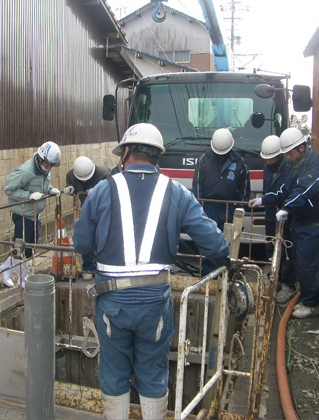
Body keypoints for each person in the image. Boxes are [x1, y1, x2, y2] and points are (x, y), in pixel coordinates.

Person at [73, 123, 230, 420]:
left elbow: (81, 241)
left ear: (126, 152)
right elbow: (214, 243)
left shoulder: (103, 189)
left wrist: (92, 260)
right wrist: (225, 259)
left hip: (111, 301)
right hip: (154, 302)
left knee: (114, 371)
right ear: (157, 156)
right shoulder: (176, 192)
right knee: (153, 373)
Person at [275, 127, 319, 318]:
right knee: (297, 259)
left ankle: (311, 304)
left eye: (290, 153)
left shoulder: (315, 164)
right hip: (301, 220)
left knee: (307, 263)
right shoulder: (296, 164)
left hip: (314, 222)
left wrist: (286, 208)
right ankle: (296, 290)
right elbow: (287, 188)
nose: (288, 158)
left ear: (301, 148)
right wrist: (267, 200)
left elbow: (303, 190)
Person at [192, 128, 249, 274]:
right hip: (208, 208)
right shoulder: (204, 160)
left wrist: (241, 208)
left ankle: (226, 274)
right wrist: (199, 207)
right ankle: (208, 275)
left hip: (229, 209)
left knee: (228, 243)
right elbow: (197, 186)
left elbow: (244, 188)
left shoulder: (239, 163)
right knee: (209, 241)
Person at [249, 135, 297, 303]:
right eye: (267, 159)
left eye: (271, 159)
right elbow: (267, 188)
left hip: (284, 215)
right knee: (271, 246)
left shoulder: (289, 169)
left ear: (280, 155)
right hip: (271, 214)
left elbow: (282, 192)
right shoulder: (266, 168)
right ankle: (273, 276)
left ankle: (288, 283)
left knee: (286, 249)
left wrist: (263, 200)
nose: (269, 162)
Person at [3, 141, 61, 261]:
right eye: (48, 164)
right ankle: (9, 272)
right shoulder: (26, 171)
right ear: (40, 158)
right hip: (23, 216)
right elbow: (9, 189)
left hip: (35, 215)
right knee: (20, 250)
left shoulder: (43, 170)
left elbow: (43, 185)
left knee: (30, 248)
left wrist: (50, 190)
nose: (49, 168)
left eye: (51, 166)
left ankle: (24, 273)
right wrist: (28, 196)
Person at [63, 156, 111, 280]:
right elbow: (71, 183)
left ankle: (103, 265)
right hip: (86, 210)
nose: (84, 182)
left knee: (103, 237)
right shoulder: (72, 175)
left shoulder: (104, 174)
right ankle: (88, 267)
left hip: (103, 211)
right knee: (86, 237)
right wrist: (70, 188)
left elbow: (113, 189)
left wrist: (99, 190)